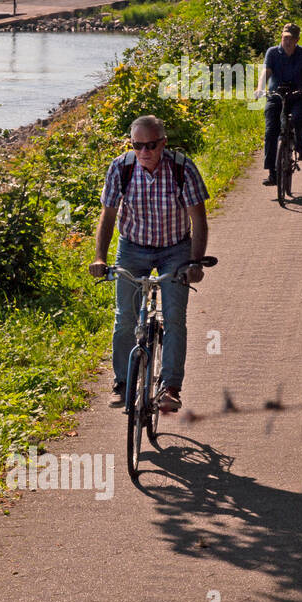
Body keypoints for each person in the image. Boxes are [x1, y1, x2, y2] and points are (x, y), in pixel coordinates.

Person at [89, 115, 210, 414]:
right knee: (125, 319)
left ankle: (170, 387)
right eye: (137, 145)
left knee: (174, 318)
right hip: (133, 247)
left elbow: (199, 221)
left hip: (175, 249)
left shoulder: (183, 168)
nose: (144, 152)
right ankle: (122, 382)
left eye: (151, 145)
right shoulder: (121, 168)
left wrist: (194, 263)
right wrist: (100, 257)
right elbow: (108, 216)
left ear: (163, 144)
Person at [259, 23, 302, 185]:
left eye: (291, 38)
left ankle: (300, 146)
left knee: (298, 117)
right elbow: (266, 72)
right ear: (281, 37)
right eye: (285, 37)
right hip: (277, 95)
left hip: (299, 94)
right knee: (271, 131)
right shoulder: (272, 52)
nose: (287, 41)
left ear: (297, 39)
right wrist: (259, 88)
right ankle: (272, 173)